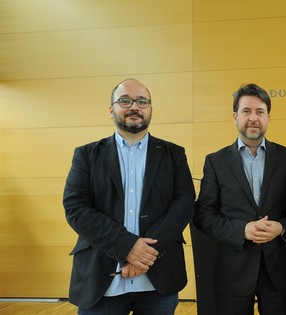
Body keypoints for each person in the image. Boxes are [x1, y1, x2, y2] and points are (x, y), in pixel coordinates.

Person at [63, 78, 196, 314]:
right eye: (125, 100)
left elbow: (184, 204)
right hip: (101, 281)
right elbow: (76, 208)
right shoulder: (86, 155)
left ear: (150, 110)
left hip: (159, 278)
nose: (134, 106)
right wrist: (126, 247)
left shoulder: (173, 154)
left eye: (142, 101)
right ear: (111, 109)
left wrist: (143, 254)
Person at [193, 83, 286, 315]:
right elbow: (204, 215)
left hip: (277, 268)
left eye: (260, 112)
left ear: (268, 117)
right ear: (235, 116)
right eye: (246, 111)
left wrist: (281, 227)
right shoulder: (216, 161)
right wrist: (242, 230)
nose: (253, 118)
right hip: (233, 269)